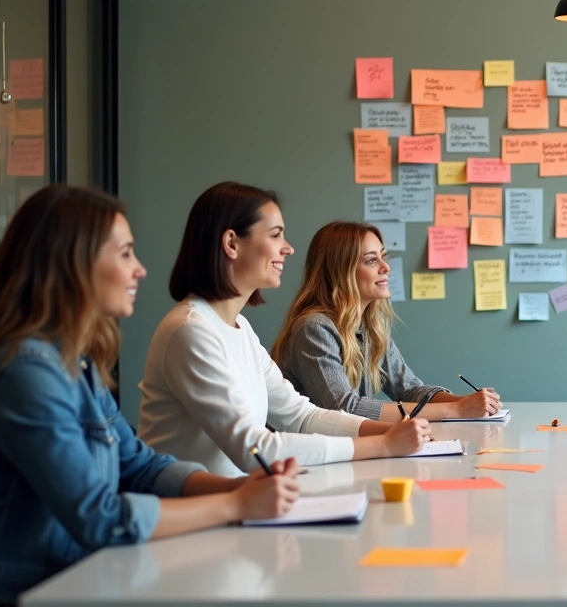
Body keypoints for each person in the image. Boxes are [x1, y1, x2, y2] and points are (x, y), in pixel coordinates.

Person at [0, 186, 299, 605]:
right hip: (21, 590)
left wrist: (234, 490)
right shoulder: (25, 371)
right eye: (125, 253)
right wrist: (234, 505)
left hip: (75, 578)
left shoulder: (74, 360)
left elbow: (138, 466)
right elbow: (100, 517)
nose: (140, 269)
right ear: (75, 262)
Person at [138, 182, 429, 477]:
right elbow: (256, 450)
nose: (288, 248)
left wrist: (391, 430)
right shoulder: (190, 331)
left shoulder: (241, 330)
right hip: (197, 512)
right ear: (232, 244)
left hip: (244, 503)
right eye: (276, 235)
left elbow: (301, 415)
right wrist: (382, 444)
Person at [272, 222, 500, 421]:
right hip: (304, 461)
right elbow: (343, 408)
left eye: (384, 256)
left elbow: (409, 390)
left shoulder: (370, 327)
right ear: (340, 272)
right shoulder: (314, 328)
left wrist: (466, 401)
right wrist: (454, 410)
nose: (386, 267)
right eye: (371, 260)